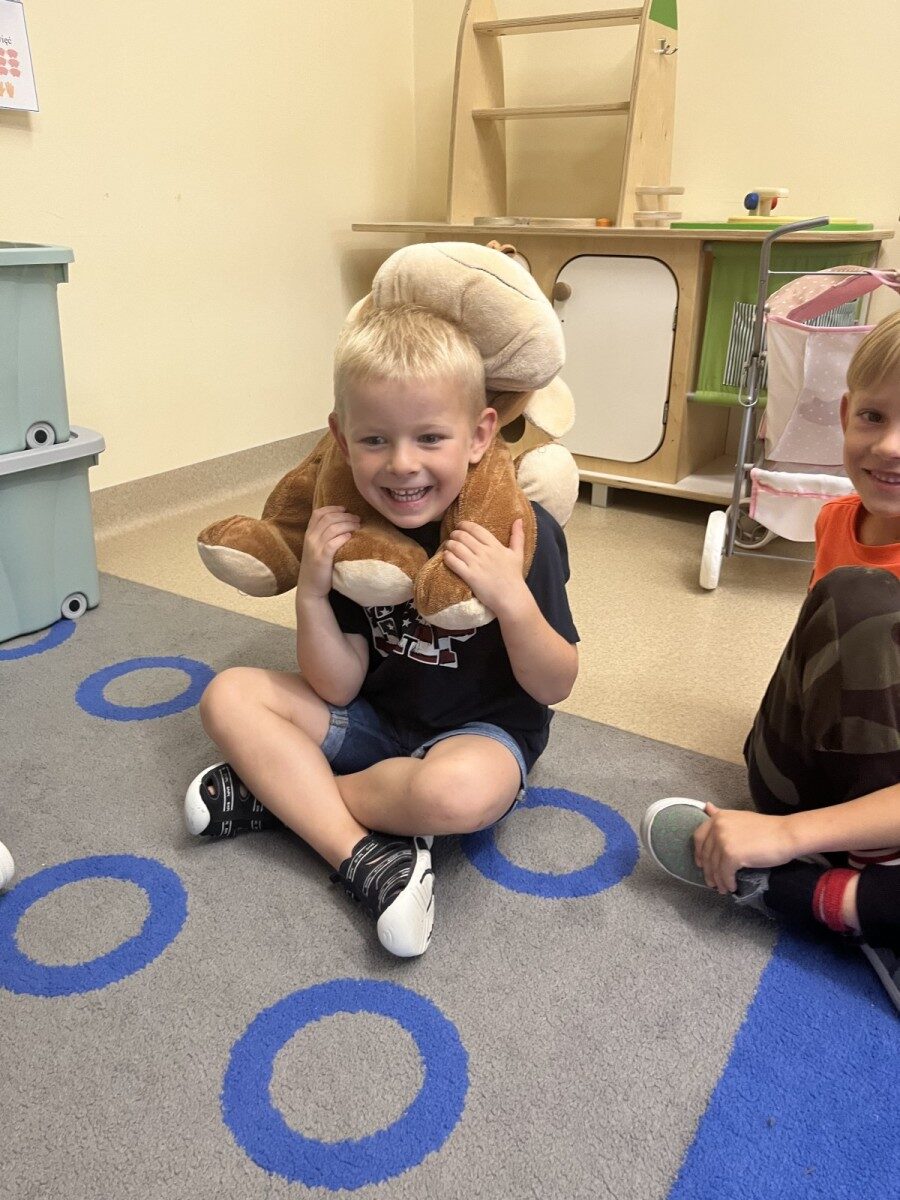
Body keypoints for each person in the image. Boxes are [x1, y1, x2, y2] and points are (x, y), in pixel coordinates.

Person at [184, 303, 579, 957]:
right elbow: (337, 687)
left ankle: (285, 798)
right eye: (375, 441)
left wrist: (513, 599)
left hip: (480, 736)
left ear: (480, 435)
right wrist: (313, 591)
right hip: (374, 722)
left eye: (430, 438)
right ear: (340, 440)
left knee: (455, 794)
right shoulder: (348, 531)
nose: (401, 464)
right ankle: (363, 853)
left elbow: (556, 683)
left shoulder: (519, 531)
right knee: (227, 695)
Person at [641, 310, 900, 1012]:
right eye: (872, 416)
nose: (889, 447)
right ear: (845, 415)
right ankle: (860, 886)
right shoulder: (837, 519)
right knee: (858, 596)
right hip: (805, 776)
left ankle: (802, 889)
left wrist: (788, 841)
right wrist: (787, 827)